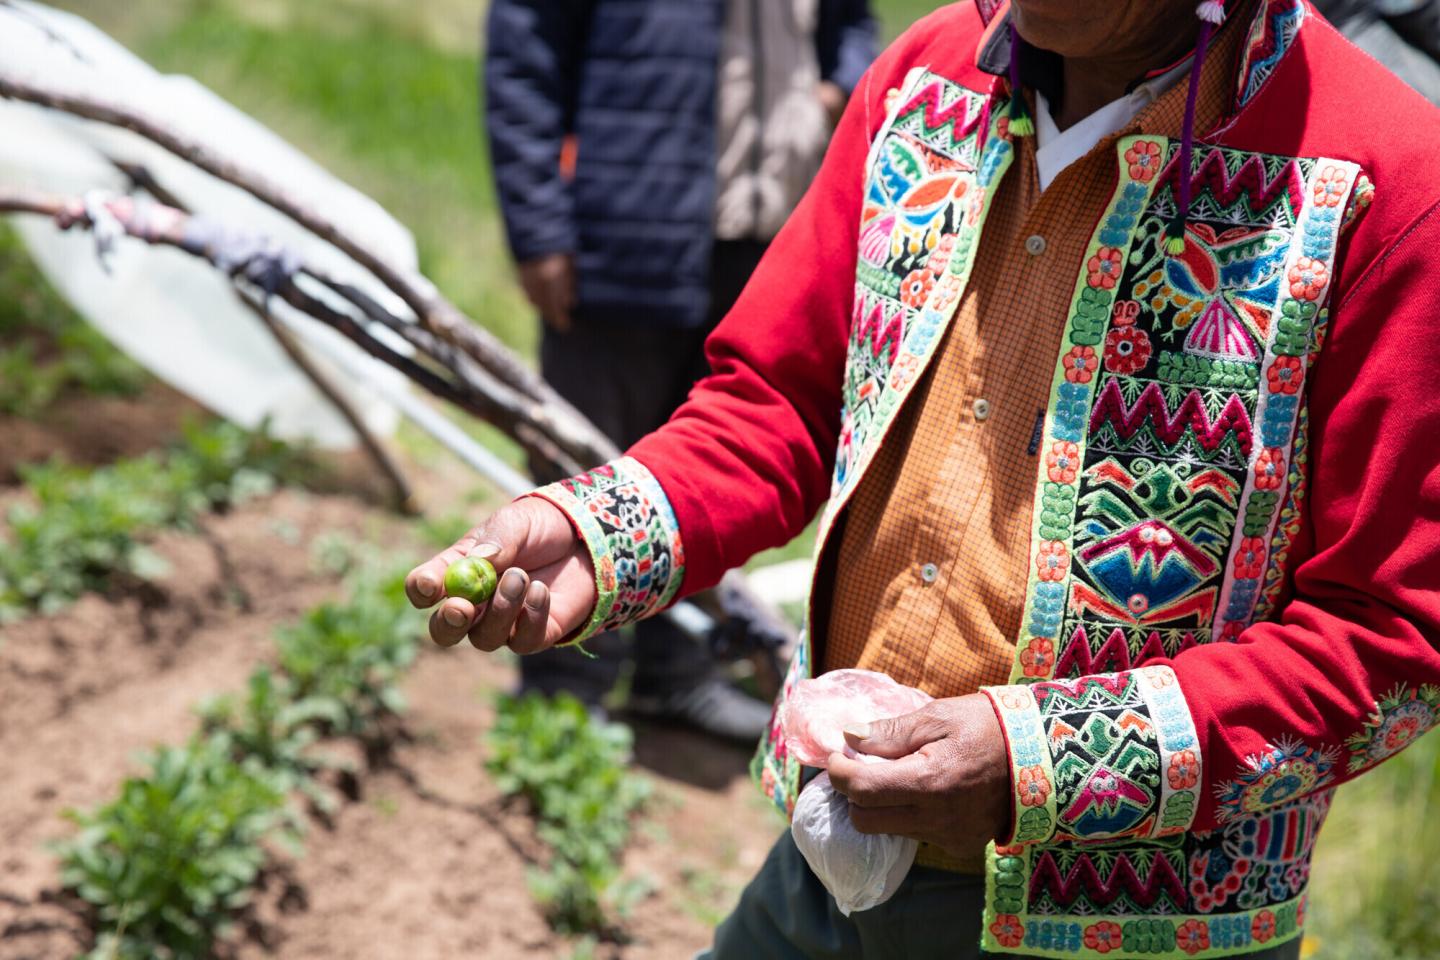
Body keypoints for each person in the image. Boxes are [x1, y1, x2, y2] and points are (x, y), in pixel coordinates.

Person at [419, 0, 1440, 956]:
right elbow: (777, 406)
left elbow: (1393, 636)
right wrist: (598, 534)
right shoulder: (924, 80)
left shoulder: (1385, 181)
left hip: (1137, 928)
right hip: (830, 868)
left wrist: (1040, 763)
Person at [483, 0, 878, 741]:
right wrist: (536, 227)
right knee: (588, 454)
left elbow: (852, 22)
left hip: (763, 232)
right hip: (623, 231)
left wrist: (838, 85)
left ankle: (676, 670)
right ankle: (564, 699)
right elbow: (524, 53)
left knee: (716, 472)